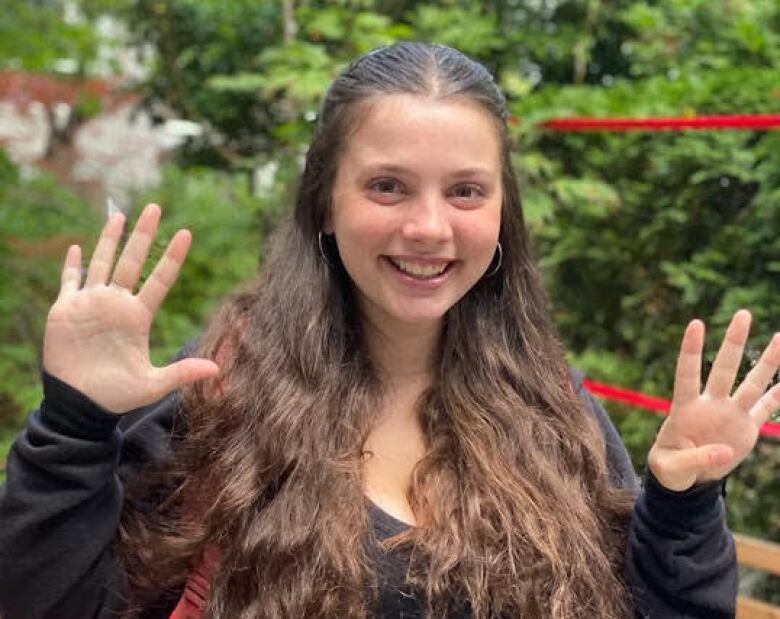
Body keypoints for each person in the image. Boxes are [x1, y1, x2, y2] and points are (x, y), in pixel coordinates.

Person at [0, 42, 777, 619]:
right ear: (324, 206)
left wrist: (683, 497)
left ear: (503, 212)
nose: (429, 227)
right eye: (387, 186)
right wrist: (73, 425)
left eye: (466, 190)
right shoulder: (213, 399)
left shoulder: (555, 415)